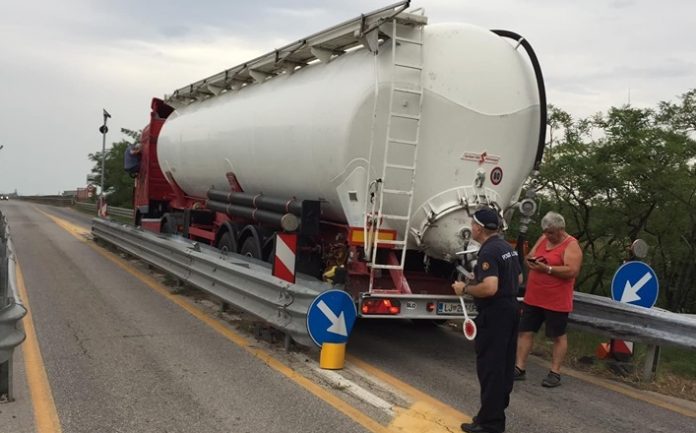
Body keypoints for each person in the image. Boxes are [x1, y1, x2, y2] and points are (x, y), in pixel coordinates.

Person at [452, 207, 522, 433]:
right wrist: (480, 278)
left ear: (479, 228)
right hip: (511, 309)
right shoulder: (506, 247)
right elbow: (518, 277)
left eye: (473, 224)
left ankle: (490, 424)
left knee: (490, 368)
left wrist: (466, 288)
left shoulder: (488, 251)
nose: (471, 227)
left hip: (495, 314)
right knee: (503, 367)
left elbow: (490, 288)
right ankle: (490, 416)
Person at [515, 211, 583, 387]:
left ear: (561, 230)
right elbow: (530, 255)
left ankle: (555, 372)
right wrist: (530, 261)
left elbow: (572, 270)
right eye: (545, 232)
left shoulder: (571, 245)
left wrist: (548, 269)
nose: (548, 236)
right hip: (534, 296)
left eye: (551, 233)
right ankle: (519, 367)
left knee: (558, 336)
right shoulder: (544, 238)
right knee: (525, 331)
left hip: (556, 300)